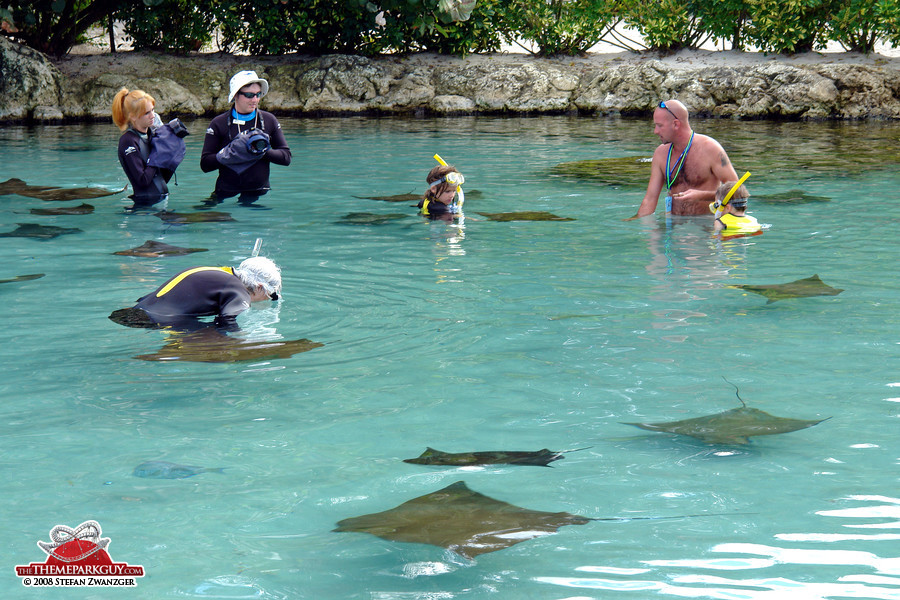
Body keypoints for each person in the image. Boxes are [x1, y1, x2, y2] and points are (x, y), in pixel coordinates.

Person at [628, 99, 739, 219]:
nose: (655, 131)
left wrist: (702, 196)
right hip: (673, 226)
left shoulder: (711, 149)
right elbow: (649, 200)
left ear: (676, 124)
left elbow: (737, 191)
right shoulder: (660, 154)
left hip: (706, 227)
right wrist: (633, 225)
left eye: (659, 126)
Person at [109, 256, 282, 331]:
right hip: (155, 322)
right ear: (260, 287)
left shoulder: (218, 272)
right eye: (272, 295)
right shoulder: (239, 292)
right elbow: (227, 320)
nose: (269, 299)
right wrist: (244, 342)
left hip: (131, 313)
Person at [200, 70, 291, 204]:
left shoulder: (268, 120)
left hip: (259, 191)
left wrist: (262, 151)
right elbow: (205, 164)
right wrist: (230, 152)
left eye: (258, 94)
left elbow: (286, 157)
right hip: (226, 191)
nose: (255, 100)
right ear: (236, 95)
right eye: (249, 95)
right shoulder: (219, 123)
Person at [111, 88, 172, 207]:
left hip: (161, 200)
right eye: (147, 113)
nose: (152, 115)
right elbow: (142, 181)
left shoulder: (151, 135)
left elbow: (161, 176)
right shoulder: (128, 141)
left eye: (153, 110)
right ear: (133, 116)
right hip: (145, 207)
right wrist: (157, 153)